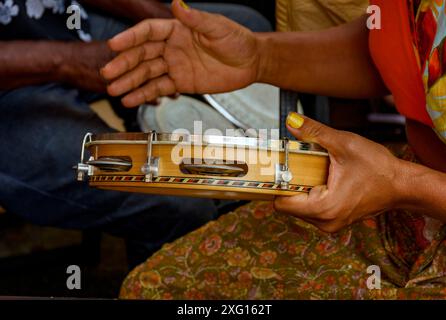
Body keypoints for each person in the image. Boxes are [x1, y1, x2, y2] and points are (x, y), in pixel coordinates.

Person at [103, 0, 446, 299]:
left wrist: (403, 184)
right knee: (157, 286)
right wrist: (260, 58)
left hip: (413, 203)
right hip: (399, 221)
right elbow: (407, 46)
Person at [0, 0, 271, 268]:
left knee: (248, 34)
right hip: (9, 95)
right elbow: (68, 61)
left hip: (62, 21)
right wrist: (69, 62)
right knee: (178, 201)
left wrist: (164, 18)